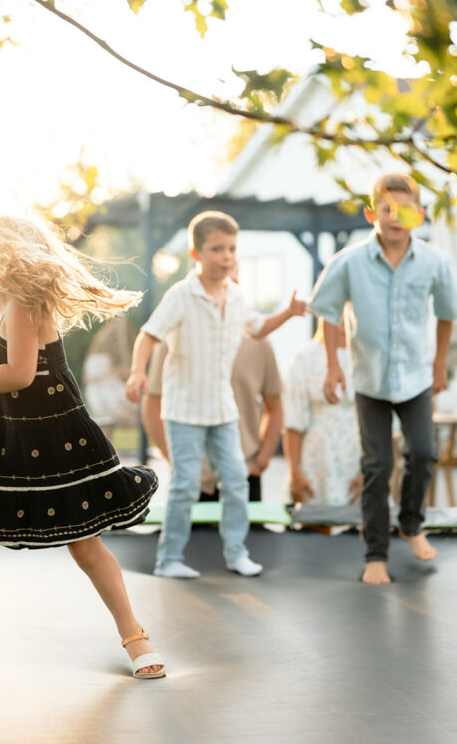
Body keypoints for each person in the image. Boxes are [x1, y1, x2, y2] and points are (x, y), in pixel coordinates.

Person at [0, 214, 165, 680]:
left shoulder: (21, 304)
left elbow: (20, 374)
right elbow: (34, 378)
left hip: (53, 439)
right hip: (23, 434)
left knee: (84, 545)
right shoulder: (20, 306)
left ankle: (135, 636)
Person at [125, 210, 307, 579]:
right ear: (196, 254)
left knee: (237, 480)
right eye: (217, 249)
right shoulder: (181, 295)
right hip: (185, 410)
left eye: (232, 249)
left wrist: (287, 313)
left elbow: (256, 329)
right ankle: (170, 559)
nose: (226, 257)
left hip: (222, 410)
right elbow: (149, 334)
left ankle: (237, 552)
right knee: (186, 485)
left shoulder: (236, 296)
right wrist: (137, 371)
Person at [310, 174, 457, 585]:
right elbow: (325, 309)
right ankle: (375, 554)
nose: (395, 217)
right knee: (377, 465)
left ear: (421, 214)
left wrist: (440, 363)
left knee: (424, 454)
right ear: (370, 213)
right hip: (370, 381)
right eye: (386, 209)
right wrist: (333, 364)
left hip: (416, 379)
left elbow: (448, 313)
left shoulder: (436, 262)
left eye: (404, 209)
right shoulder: (348, 262)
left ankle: (411, 524)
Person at [143, 334, 284, 501]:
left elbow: (275, 407)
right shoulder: (172, 340)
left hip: (245, 474)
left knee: (245, 528)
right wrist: (175, 460)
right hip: (190, 477)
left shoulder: (259, 343)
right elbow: (152, 404)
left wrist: (261, 462)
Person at [283, 316, 361, 508]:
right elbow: (294, 420)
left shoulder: (366, 358)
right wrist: (295, 472)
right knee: (316, 527)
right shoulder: (305, 357)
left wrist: (371, 473)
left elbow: (383, 423)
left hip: (357, 464)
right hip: (316, 464)